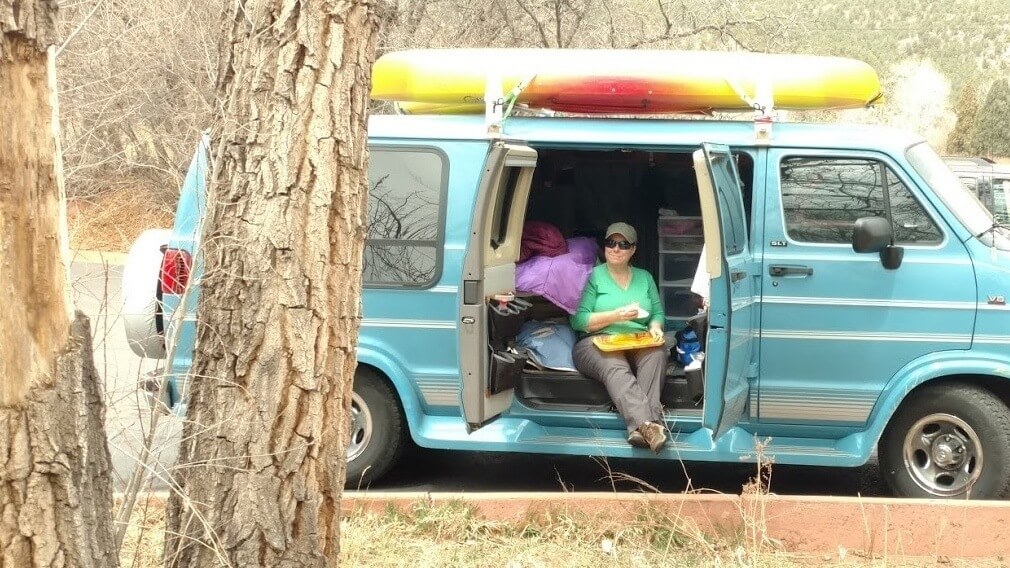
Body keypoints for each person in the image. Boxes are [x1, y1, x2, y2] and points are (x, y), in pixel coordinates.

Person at [570, 222, 669, 452]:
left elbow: (657, 313)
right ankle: (649, 424)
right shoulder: (592, 276)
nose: (616, 249)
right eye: (610, 243)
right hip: (596, 341)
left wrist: (655, 327)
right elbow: (578, 320)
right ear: (604, 246)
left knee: (657, 352)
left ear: (633, 250)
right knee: (615, 365)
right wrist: (615, 316)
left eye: (623, 244)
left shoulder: (645, 277)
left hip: (637, 338)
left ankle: (639, 429)